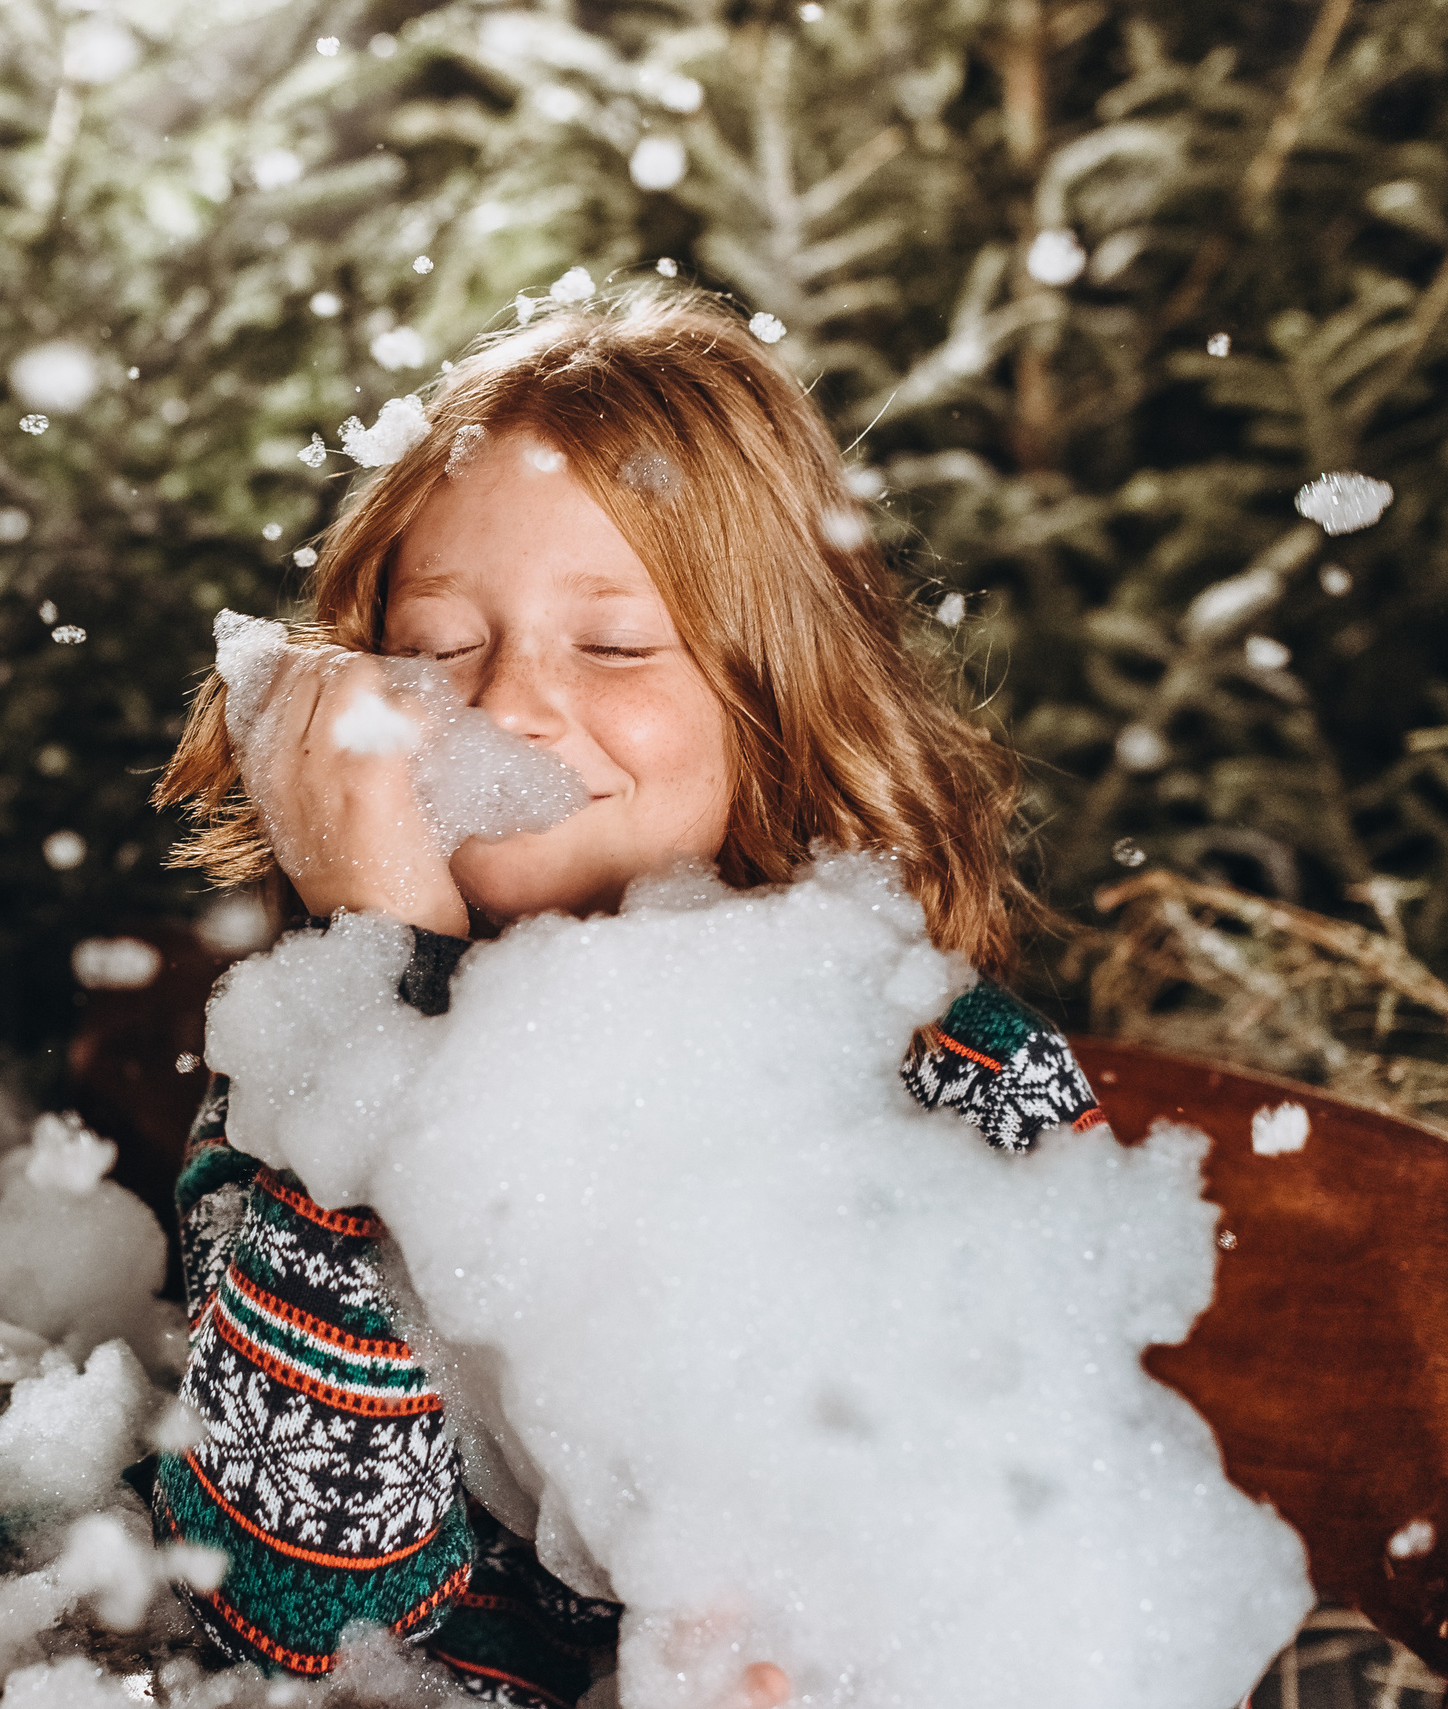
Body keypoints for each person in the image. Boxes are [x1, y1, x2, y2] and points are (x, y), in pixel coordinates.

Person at [144, 286, 1107, 1709]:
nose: (517, 704)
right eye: (442, 643)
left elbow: (1053, 1571)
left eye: (615, 644)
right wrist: (382, 956)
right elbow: (294, 1609)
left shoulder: (957, 1082)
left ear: (774, 695)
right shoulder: (305, 1082)